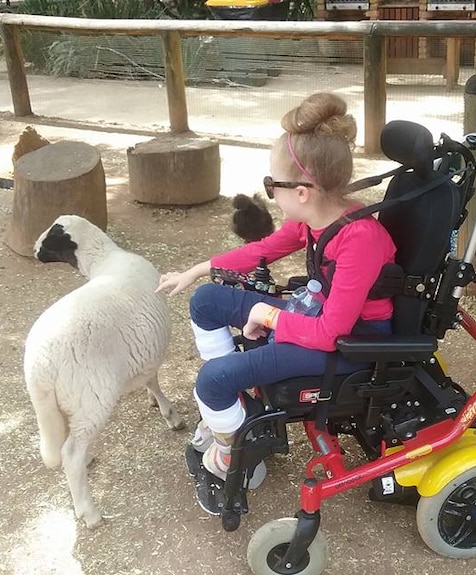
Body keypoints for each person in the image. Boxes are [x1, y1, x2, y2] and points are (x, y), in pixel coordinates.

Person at [155, 92, 396, 483]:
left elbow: (330, 333)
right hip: (315, 314)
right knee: (206, 300)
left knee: (211, 380)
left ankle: (235, 457)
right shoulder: (318, 218)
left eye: (271, 184)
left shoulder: (359, 238)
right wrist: (198, 270)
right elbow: (264, 250)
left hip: (353, 344)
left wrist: (266, 314)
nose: (269, 192)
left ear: (301, 191)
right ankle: (237, 405)